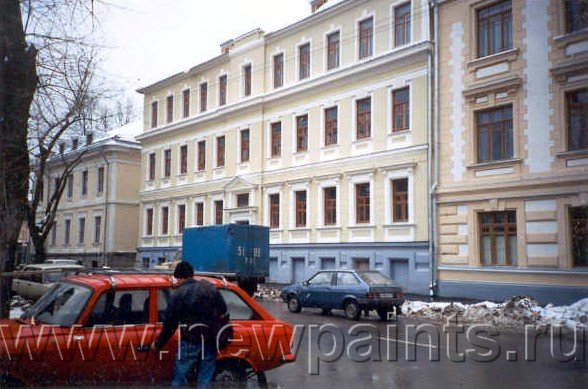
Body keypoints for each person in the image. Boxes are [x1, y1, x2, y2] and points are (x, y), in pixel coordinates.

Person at [152, 261, 228, 387]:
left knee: (180, 376)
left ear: (179, 278)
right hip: (210, 339)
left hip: (190, 340)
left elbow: (170, 325)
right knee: (205, 375)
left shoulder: (177, 295)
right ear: (191, 275)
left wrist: (158, 344)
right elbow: (223, 309)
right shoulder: (209, 287)